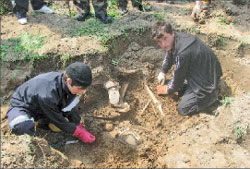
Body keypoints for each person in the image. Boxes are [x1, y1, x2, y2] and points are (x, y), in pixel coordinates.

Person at [7, 62, 95, 143]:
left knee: (73, 102)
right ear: (69, 81)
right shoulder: (48, 94)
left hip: (44, 108)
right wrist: (77, 132)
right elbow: (57, 119)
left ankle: (43, 123)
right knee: (22, 126)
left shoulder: (65, 84)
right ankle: (34, 128)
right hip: (24, 107)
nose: (82, 91)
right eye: (80, 88)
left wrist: (77, 125)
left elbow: (71, 109)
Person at [152, 21, 222, 116]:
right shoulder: (176, 39)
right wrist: (163, 72)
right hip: (199, 72)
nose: (163, 44)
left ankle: (213, 97)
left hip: (207, 82)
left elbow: (179, 76)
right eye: (159, 42)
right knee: (171, 84)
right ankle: (191, 91)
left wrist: (169, 90)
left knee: (183, 109)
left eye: (165, 39)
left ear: (172, 33)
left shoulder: (183, 51)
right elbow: (169, 53)